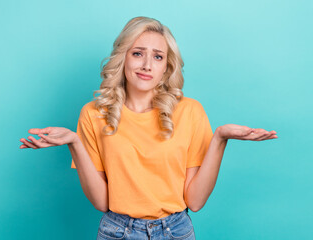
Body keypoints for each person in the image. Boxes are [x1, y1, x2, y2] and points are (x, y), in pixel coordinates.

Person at [19, 16, 277, 240]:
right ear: (123, 58)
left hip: (176, 231)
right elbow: (102, 202)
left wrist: (220, 138)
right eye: (137, 53)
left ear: (166, 67)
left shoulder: (190, 111)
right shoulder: (93, 114)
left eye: (158, 56)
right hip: (116, 231)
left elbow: (195, 202)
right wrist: (74, 143)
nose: (147, 65)